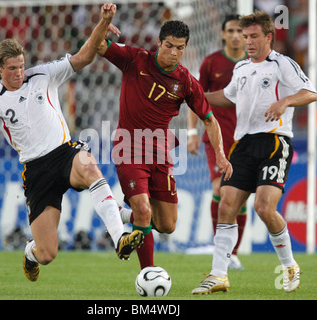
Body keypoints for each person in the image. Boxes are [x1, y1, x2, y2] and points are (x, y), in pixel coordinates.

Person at [0, 3, 144, 282]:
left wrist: (102, 22)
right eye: (12, 68)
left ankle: (119, 236)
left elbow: (84, 57)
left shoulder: (43, 74)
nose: (19, 73)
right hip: (36, 171)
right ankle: (30, 253)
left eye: (21, 66)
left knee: (89, 164)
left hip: (64, 152)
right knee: (47, 253)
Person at [191, 11, 317, 295]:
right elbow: (226, 96)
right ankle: (219, 275)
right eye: (244, 36)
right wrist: (192, 96)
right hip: (243, 144)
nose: (247, 41)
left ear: (268, 37)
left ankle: (289, 265)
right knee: (226, 205)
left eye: (253, 36)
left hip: (274, 143)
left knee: (263, 207)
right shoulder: (241, 69)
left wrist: (286, 100)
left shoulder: (282, 64)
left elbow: (310, 93)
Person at [97, 20, 233, 271]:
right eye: (169, 45)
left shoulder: (186, 82)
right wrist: (103, 24)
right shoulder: (135, 60)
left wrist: (222, 156)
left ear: (185, 48)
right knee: (142, 207)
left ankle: (119, 213)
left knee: (167, 225)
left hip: (160, 153)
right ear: (158, 42)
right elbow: (99, 46)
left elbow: (210, 120)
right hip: (129, 148)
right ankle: (147, 273)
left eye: (180, 48)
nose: (173, 52)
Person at [187, 15, 247, 270]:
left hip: (246, 139)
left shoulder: (255, 62)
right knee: (221, 190)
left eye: (239, 31)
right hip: (217, 139)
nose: (235, 35)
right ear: (223, 34)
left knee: (240, 198)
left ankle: (232, 252)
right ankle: (220, 248)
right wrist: (191, 133)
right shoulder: (212, 62)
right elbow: (195, 97)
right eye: (230, 30)